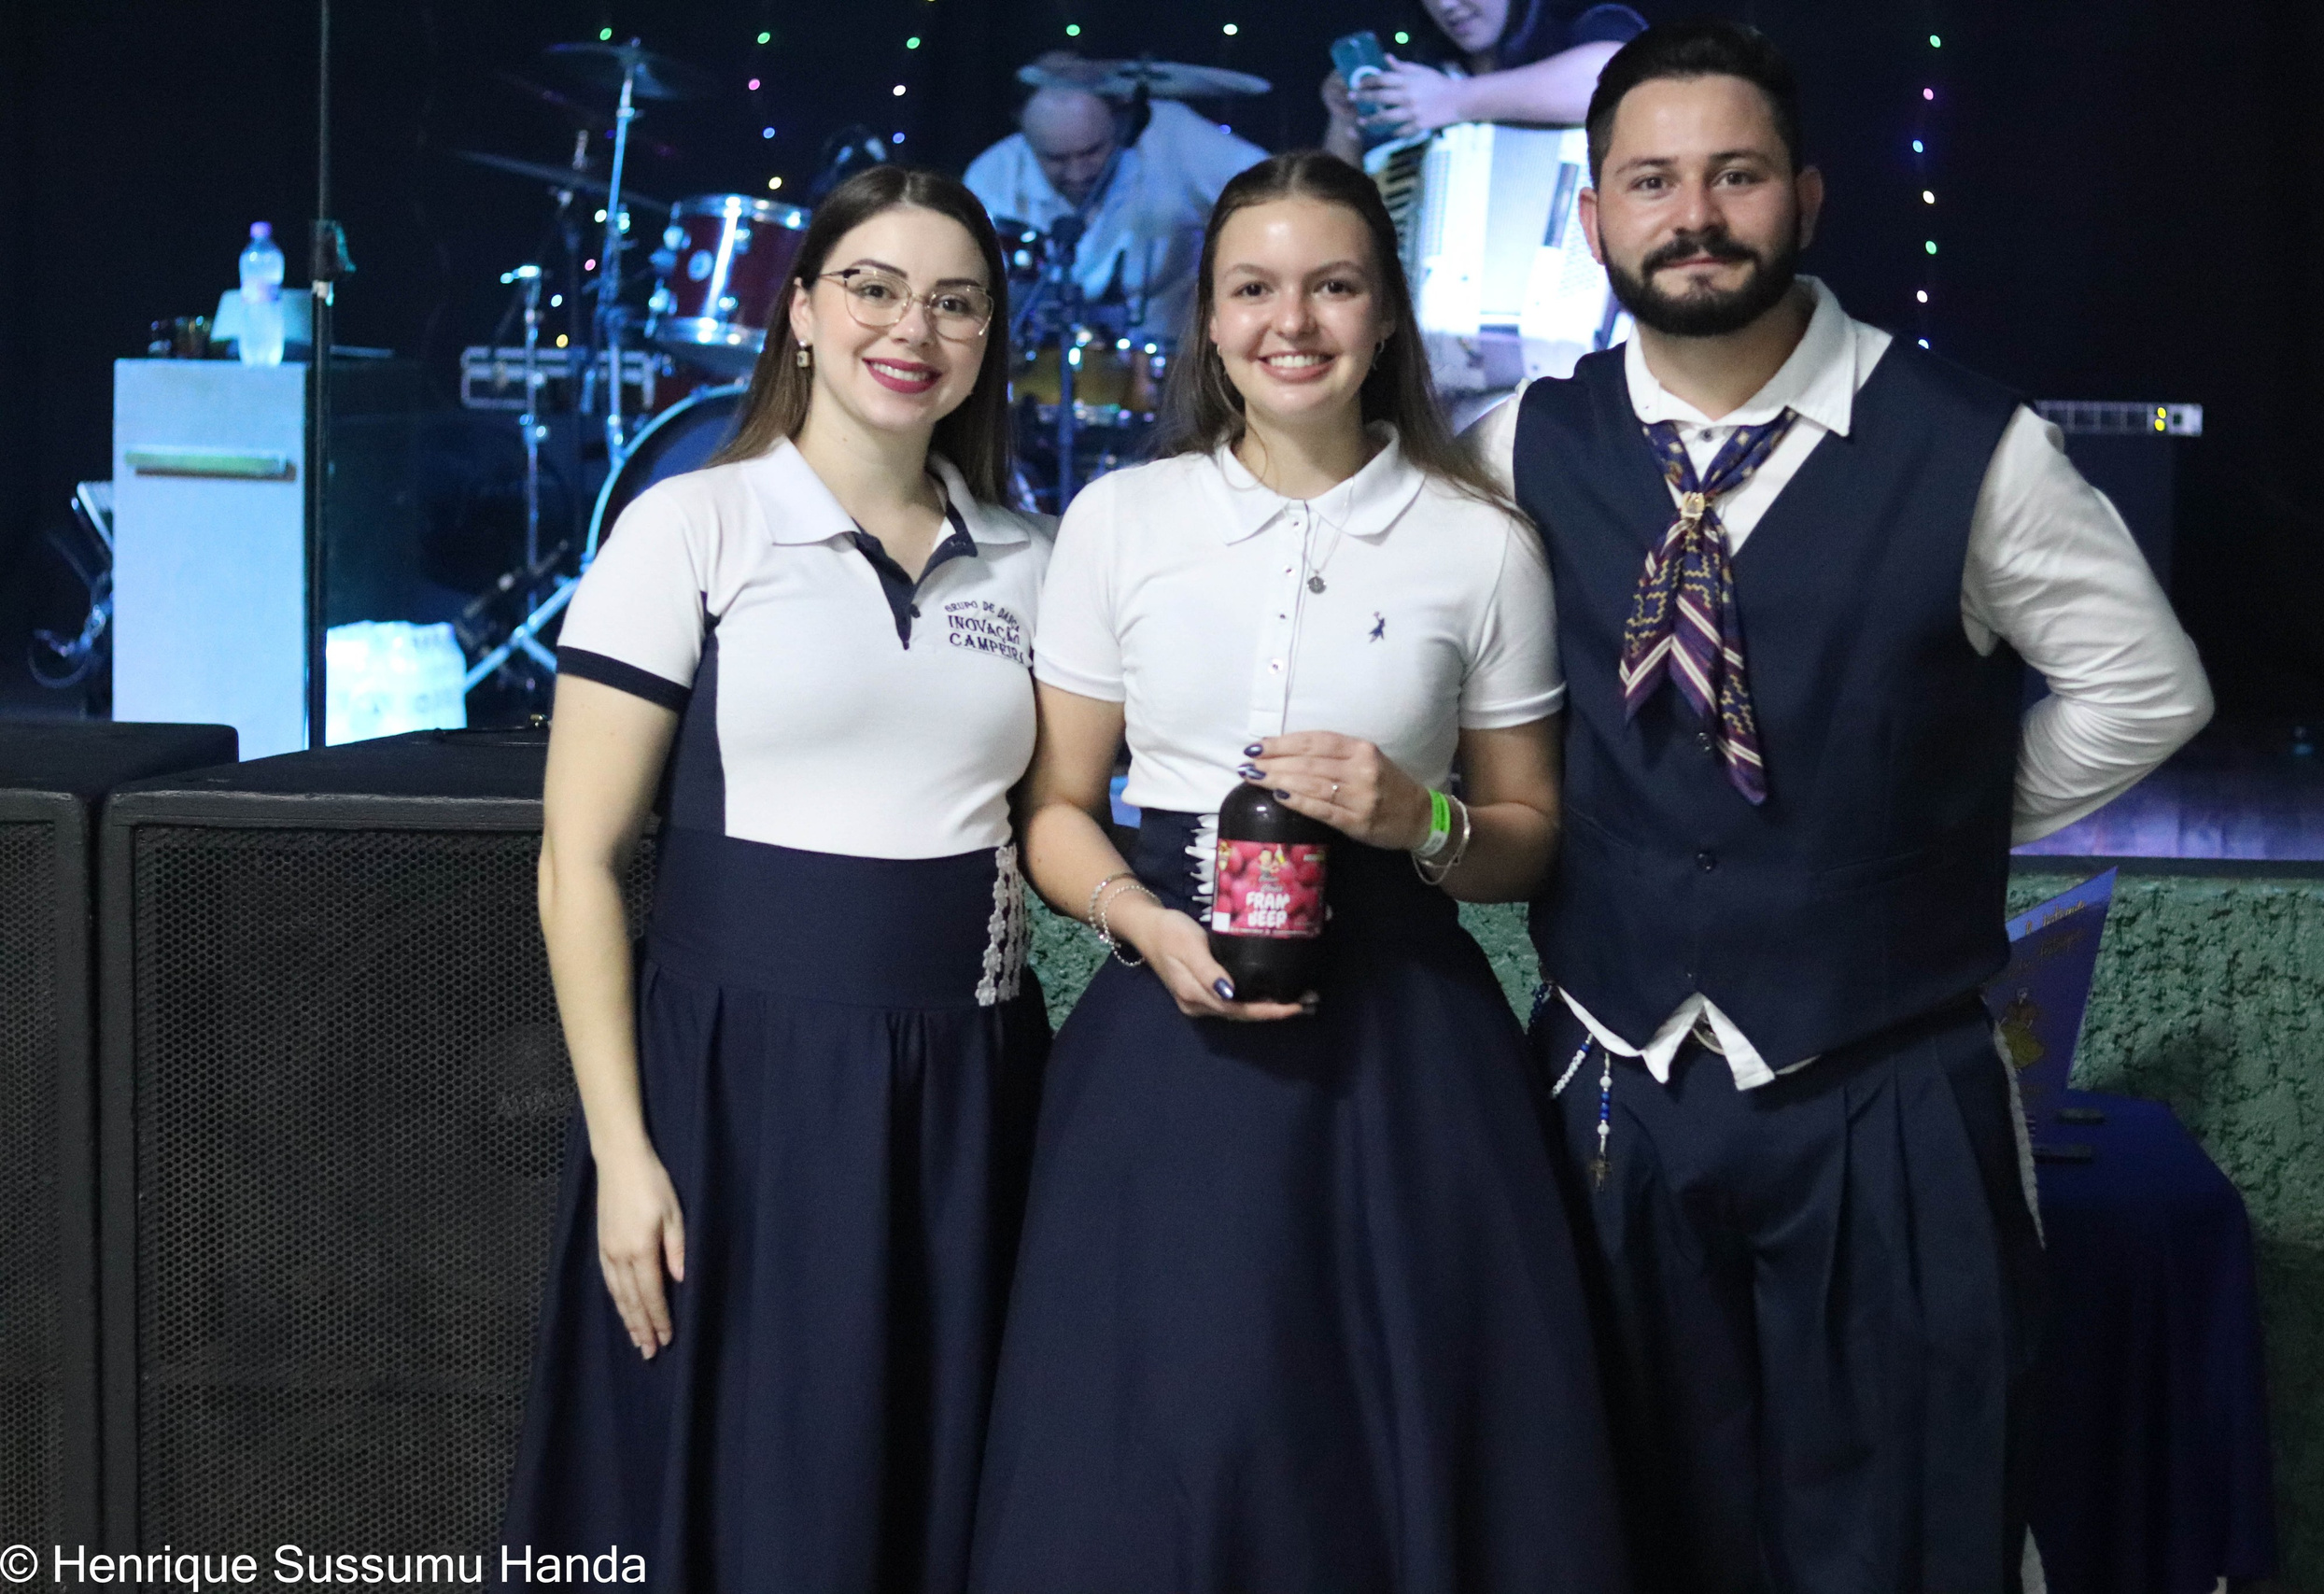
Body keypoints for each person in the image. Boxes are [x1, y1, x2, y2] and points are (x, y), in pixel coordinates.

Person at [1465, 21, 2214, 1594]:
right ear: (1594, 216)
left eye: (1734, 175)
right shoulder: (1524, 445)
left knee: (1913, 1515)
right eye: (1651, 181)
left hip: (1890, 1075)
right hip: (1610, 1076)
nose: (1695, 215)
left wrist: (1933, 819)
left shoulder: (1971, 442)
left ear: (1804, 198)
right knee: (1609, 1503)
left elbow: (2147, 688)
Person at [969, 150, 1629, 1593]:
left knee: (1401, 1453)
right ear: (1208, 321)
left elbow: (1527, 839)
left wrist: (1418, 817)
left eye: (1333, 285)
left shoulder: (1484, 543)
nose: (1294, 322)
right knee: (1161, 1440)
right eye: (1253, 288)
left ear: (1386, 315)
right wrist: (1141, 921)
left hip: (1406, 1054)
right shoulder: (1122, 523)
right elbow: (1061, 808)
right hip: (1167, 1028)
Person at [499, 166, 1053, 1594]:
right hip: (739, 1097)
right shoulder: (693, 526)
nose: (910, 327)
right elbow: (577, 863)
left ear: (988, 338)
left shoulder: (1035, 560)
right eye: (872, 285)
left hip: (971, 1087)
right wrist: (627, 1155)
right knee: (743, 1492)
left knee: (937, 1480)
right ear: (801, 309)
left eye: (955, 300)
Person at [964, 56, 1266, 338]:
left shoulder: (1173, 136)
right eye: (1056, 159)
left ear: (1122, 124)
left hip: (1171, 367)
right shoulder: (990, 178)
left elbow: (1277, 193)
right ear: (1025, 136)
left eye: (1092, 151)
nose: (1078, 172)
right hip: (1039, 375)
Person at [1323, 1, 1647, 165]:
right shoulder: (1425, 76)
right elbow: (1338, 206)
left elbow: (1616, 79)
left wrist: (1453, 100)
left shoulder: (1582, 26)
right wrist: (1343, 122)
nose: (1446, 5)